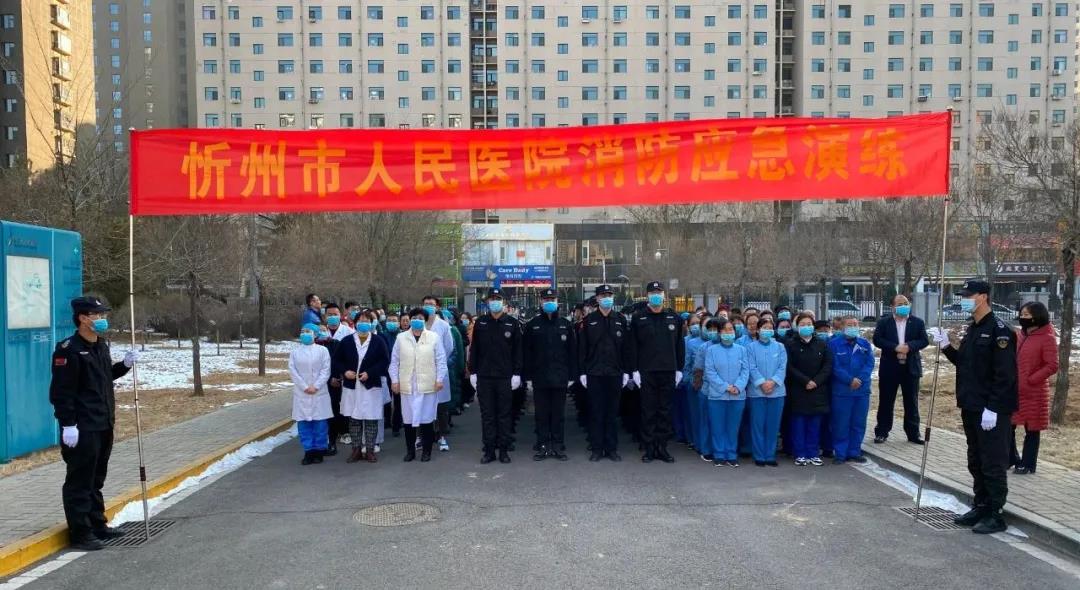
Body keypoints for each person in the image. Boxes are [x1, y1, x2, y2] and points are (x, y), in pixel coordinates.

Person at [928, 280, 1018, 534]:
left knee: (992, 462)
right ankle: (981, 505)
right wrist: (947, 346)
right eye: (963, 296)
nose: (964, 300)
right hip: (971, 404)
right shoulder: (973, 329)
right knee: (976, 459)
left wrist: (994, 408)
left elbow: (1005, 375)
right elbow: (966, 364)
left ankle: (995, 513)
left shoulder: (1000, 331)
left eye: (969, 296)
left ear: (983, 297)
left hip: (991, 410)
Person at [49, 296, 137, 551]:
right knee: (80, 481)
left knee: (96, 478)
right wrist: (68, 424)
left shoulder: (100, 345)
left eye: (102, 315)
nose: (102, 319)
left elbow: (104, 376)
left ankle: (97, 524)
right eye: (97, 315)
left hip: (103, 422)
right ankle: (80, 533)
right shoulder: (68, 350)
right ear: (83, 318)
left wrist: (125, 365)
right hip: (82, 427)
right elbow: (61, 392)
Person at [628, 282, 685, 464]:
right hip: (647, 371)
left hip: (668, 371)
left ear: (664, 295)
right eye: (653, 292)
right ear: (647, 295)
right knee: (648, 411)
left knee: (664, 411)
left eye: (659, 292)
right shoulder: (638, 318)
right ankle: (649, 448)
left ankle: (662, 447)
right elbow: (633, 346)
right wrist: (634, 370)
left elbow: (679, 345)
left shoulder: (673, 317)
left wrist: (679, 369)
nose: (656, 295)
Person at [578, 284, 632, 462]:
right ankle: (597, 448)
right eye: (603, 295)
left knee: (612, 413)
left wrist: (626, 371)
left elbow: (626, 348)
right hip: (594, 373)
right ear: (597, 298)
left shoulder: (620, 319)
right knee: (596, 412)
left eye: (609, 295)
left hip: (615, 373)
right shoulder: (589, 320)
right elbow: (582, 348)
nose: (606, 298)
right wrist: (582, 372)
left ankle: (611, 448)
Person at [469, 289, 523, 464]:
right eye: (491, 299)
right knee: (488, 415)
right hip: (485, 376)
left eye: (497, 299)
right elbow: (475, 349)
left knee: (504, 415)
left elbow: (518, 351)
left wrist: (517, 373)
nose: (494, 302)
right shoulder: (481, 322)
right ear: (487, 302)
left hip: (505, 377)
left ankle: (504, 450)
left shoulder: (512, 323)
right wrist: (473, 371)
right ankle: (489, 450)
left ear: (503, 302)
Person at [523, 289, 577, 461]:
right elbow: (527, 353)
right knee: (541, 414)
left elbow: (572, 352)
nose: (549, 302)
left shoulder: (565, 324)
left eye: (552, 299)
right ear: (541, 302)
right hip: (540, 377)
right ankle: (543, 445)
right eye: (546, 299)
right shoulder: (533, 325)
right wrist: (527, 377)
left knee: (558, 414)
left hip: (560, 376)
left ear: (557, 301)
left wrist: (572, 376)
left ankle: (558, 445)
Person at [390, 308, 448, 462]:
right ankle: (410, 451)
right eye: (414, 317)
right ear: (410, 320)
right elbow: (394, 361)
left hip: (427, 385)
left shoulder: (433, 337)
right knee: (408, 420)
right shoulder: (401, 338)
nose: (417, 320)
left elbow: (441, 360)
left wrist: (439, 379)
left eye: (420, 318)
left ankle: (427, 452)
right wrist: (394, 380)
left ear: (425, 320)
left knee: (426, 419)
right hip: (407, 385)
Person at [334, 311, 390, 463]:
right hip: (352, 386)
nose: (363, 324)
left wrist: (370, 373)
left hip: (371, 385)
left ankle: (370, 450)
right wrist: (345, 371)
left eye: (366, 321)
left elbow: (385, 361)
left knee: (371, 418)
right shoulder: (346, 341)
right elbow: (337, 361)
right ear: (355, 323)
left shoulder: (378, 341)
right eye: (360, 321)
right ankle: (356, 450)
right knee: (354, 419)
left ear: (371, 323)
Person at [872, 295, 929, 445]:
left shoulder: (917, 322)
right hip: (890, 367)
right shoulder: (884, 322)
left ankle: (913, 433)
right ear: (892, 307)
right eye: (899, 304)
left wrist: (909, 347)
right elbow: (877, 339)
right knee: (886, 401)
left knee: (911, 401)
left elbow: (924, 340)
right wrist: (895, 347)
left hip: (911, 367)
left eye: (906, 303)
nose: (903, 306)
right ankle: (882, 432)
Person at [1011, 301, 1058, 474]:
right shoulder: (1020, 335)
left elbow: (1052, 365)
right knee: (1008, 426)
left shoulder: (1047, 338)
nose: (1022, 317)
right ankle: (1011, 458)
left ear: (1037, 317)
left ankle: (1028, 463)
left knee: (1032, 429)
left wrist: (1032, 379)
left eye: (1027, 315)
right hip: (1015, 389)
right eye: (1021, 314)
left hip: (1034, 392)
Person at [785, 313, 832, 466]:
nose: (806, 327)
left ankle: (813, 453)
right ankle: (800, 454)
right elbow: (789, 367)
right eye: (803, 324)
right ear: (797, 327)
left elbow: (827, 366)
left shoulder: (822, 344)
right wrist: (805, 381)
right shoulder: (790, 344)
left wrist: (816, 382)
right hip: (798, 389)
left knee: (814, 425)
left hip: (818, 390)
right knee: (799, 424)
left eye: (809, 324)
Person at [828, 316, 875, 465]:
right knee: (841, 423)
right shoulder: (834, 344)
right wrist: (849, 380)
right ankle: (840, 453)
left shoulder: (864, 344)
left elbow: (869, 363)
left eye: (855, 324)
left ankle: (854, 451)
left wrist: (860, 379)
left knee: (858, 422)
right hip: (842, 391)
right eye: (850, 324)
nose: (853, 327)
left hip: (861, 391)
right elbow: (834, 366)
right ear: (842, 327)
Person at [703, 318, 749, 467]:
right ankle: (719, 454)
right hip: (717, 396)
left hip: (737, 395)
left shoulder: (742, 350)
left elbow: (745, 371)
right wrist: (725, 387)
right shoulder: (711, 350)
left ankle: (731, 454)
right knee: (718, 427)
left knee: (733, 427)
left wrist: (738, 386)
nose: (728, 332)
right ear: (719, 333)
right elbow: (710, 372)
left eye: (730, 329)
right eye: (724, 330)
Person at [290, 324, 333, 465]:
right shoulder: (295, 352)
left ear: (315, 334)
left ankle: (319, 451)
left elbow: (326, 370)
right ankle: (308, 451)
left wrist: (316, 386)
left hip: (319, 392)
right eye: (302, 331)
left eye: (308, 331)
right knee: (304, 424)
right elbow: (293, 371)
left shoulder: (323, 350)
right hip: (301, 393)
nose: (305, 334)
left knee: (320, 424)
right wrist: (304, 386)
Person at [747, 318, 787, 467]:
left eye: (770, 328)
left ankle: (770, 455)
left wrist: (773, 382)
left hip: (777, 392)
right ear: (758, 330)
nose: (767, 330)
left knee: (773, 425)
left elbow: (782, 367)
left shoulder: (780, 347)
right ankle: (759, 455)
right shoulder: (751, 347)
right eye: (764, 328)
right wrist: (761, 383)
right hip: (757, 392)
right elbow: (751, 367)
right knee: (758, 424)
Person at [423, 295, 456, 453]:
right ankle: (423, 437)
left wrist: (439, 362)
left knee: (441, 407)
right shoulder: (419, 323)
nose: (428, 306)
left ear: (437, 307)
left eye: (431, 304)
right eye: (425, 304)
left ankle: (442, 436)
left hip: (438, 370)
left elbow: (449, 347)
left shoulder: (443, 325)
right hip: (422, 371)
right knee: (423, 405)